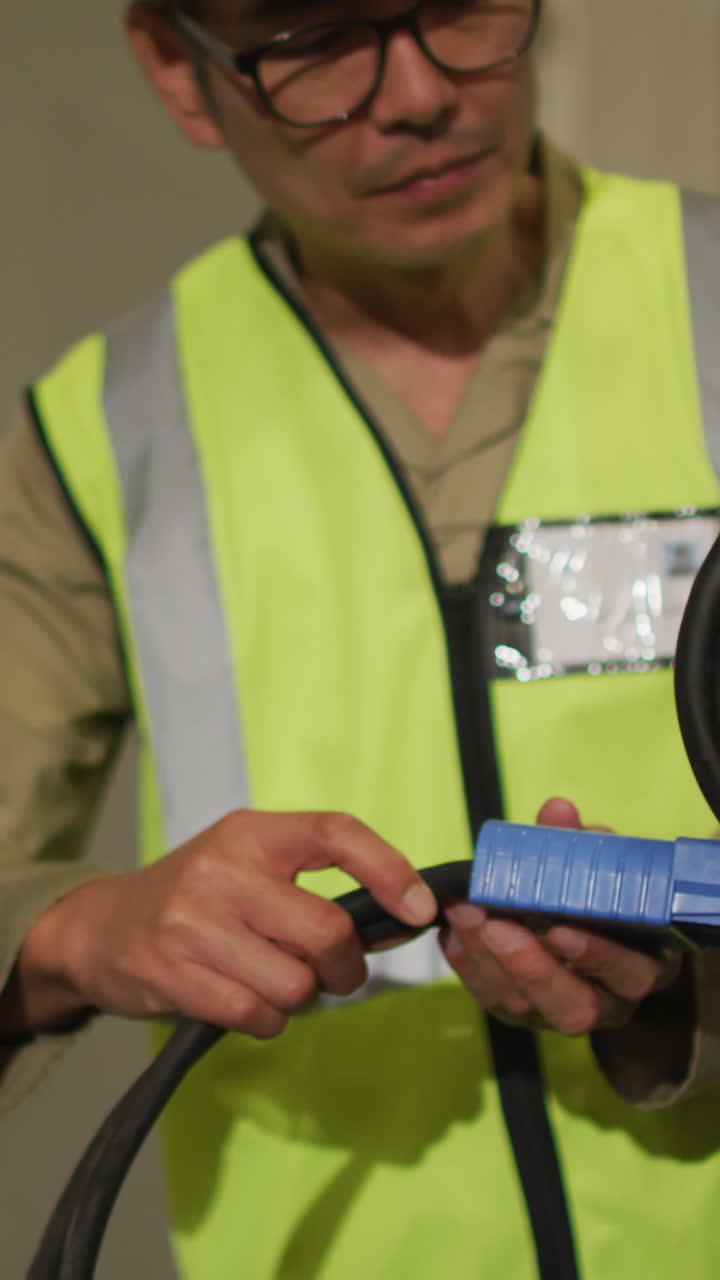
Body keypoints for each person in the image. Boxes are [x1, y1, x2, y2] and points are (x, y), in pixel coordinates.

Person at [2, 0, 720, 1276]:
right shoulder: (95, 437)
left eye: (458, 7)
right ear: (178, 68)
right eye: (313, 37)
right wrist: (78, 930)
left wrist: (683, 980)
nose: (419, 92)